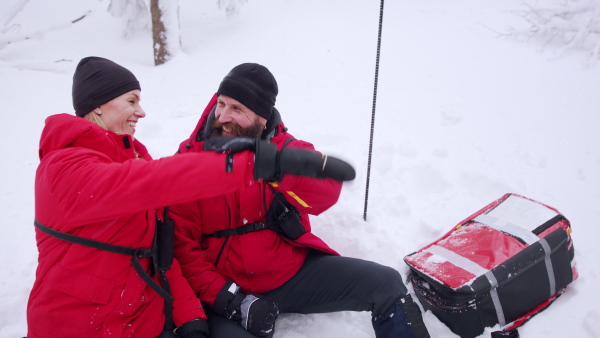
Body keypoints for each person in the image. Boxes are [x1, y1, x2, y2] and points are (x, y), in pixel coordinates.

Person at [27, 57, 354, 338]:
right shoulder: (63, 168)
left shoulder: (137, 159)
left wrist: (189, 316)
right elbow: (151, 183)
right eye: (131, 100)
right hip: (79, 326)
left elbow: (165, 251)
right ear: (98, 104)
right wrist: (251, 164)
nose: (141, 112)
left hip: (143, 320)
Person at [171, 63, 430, 337]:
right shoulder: (188, 162)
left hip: (291, 274)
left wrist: (276, 167)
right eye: (221, 104)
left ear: (261, 118)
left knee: (386, 283)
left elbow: (326, 191)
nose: (223, 116)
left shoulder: (286, 150)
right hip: (225, 290)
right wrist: (232, 300)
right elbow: (182, 250)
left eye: (237, 109)